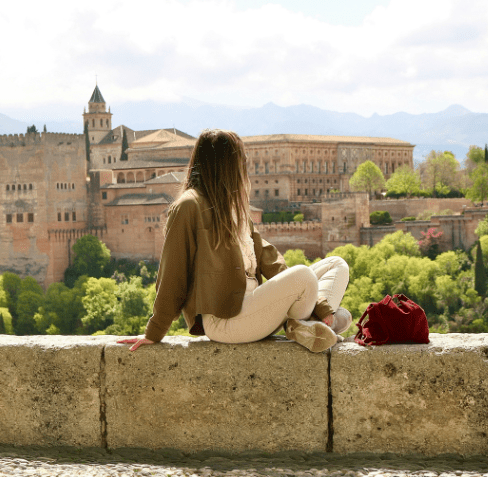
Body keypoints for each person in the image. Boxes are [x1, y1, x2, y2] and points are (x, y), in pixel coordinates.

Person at [118, 129, 351, 353]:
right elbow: (173, 274)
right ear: (224, 165)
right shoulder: (189, 206)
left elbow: (273, 263)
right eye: (240, 161)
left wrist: (320, 303)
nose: (244, 168)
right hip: (227, 320)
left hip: (257, 306)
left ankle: (305, 326)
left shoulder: (235, 209)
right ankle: (308, 324)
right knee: (305, 277)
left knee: (336, 265)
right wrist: (154, 331)